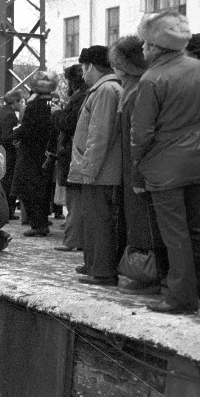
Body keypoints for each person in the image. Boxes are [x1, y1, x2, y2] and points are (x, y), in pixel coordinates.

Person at [131, 11, 200, 314]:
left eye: (145, 44)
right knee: (199, 228)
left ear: (156, 47)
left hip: (165, 161)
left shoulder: (152, 79)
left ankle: (181, 298)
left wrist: (137, 162)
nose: (142, 49)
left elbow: (141, 132)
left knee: (175, 233)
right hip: (199, 153)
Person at [110, 36, 167, 291]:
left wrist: (137, 173)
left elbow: (140, 136)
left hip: (138, 169)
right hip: (137, 167)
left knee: (144, 221)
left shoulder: (136, 92)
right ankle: (146, 272)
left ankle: (148, 274)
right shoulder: (133, 90)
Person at [68, 46, 123, 285]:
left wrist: (88, 168)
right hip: (100, 169)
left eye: (83, 67)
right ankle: (93, 263)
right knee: (93, 220)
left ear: (91, 66)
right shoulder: (104, 89)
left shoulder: (105, 91)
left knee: (100, 221)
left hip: (100, 171)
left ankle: (102, 270)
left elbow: (99, 135)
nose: (82, 73)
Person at [11, 71, 58, 236]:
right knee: (44, 189)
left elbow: (27, 128)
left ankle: (38, 224)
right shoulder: (55, 103)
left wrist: (15, 133)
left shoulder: (33, 106)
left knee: (29, 189)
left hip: (31, 153)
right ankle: (42, 221)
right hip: (47, 152)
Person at [52, 65, 87, 252]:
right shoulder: (90, 94)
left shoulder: (79, 97)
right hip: (78, 154)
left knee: (75, 200)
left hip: (74, 155)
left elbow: (67, 123)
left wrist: (57, 113)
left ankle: (73, 239)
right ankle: (76, 238)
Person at [0, 90, 25, 219]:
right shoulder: (10, 115)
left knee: (1, 181)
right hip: (7, 153)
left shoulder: (0, 112)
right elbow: (7, 136)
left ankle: (2, 210)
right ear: (15, 102)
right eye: (20, 101)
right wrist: (19, 132)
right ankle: (7, 212)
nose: (22, 103)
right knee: (8, 182)